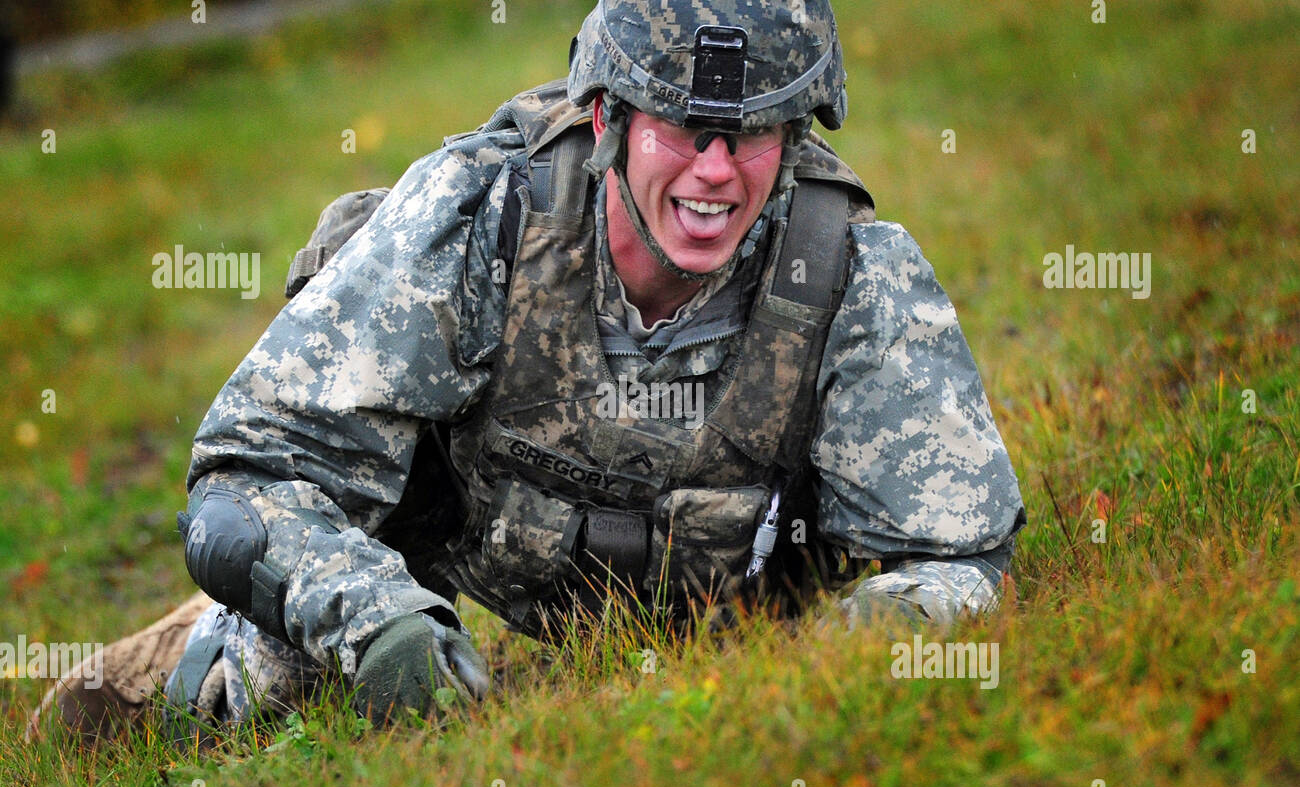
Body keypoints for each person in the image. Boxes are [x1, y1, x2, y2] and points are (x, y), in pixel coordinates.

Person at [32, 0, 1025, 741]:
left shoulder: (849, 269)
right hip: (452, 551)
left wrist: (834, 664)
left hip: (732, 600)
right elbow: (247, 479)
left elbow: (958, 554)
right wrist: (378, 623)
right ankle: (202, 646)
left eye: (752, 134)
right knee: (264, 687)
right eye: (683, 128)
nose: (717, 173)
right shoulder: (476, 220)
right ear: (606, 122)